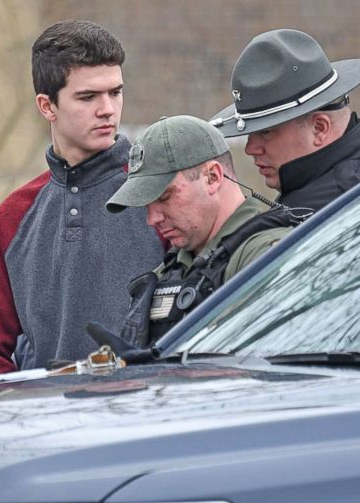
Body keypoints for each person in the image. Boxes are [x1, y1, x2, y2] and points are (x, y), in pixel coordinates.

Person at [0, 20, 162, 376]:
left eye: (115, 92)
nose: (108, 109)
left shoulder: (160, 194)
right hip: (48, 420)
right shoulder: (15, 215)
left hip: (147, 414)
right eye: (88, 97)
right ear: (47, 106)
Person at [104, 115, 297, 349]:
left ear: (212, 177)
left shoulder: (267, 256)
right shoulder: (170, 270)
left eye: (164, 196)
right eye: (147, 204)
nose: (152, 218)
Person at [209, 28, 360, 211]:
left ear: (319, 128)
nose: (250, 149)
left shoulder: (349, 208)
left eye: (266, 132)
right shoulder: (356, 188)